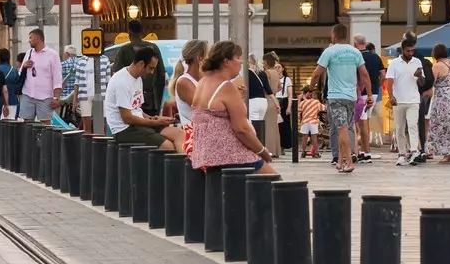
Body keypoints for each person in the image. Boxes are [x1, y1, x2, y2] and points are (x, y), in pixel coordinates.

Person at [190, 41, 278, 178]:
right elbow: (241, 129)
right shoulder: (226, 87)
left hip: (206, 154)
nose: (241, 62)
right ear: (226, 62)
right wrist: (262, 151)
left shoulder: (203, 82)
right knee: (274, 182)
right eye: (238, 57)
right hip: (230, 154)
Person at [311, 23, 368, 175]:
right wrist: (368, 94)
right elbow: (364, 74)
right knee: (347, 127)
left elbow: (317, 73)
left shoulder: (329, 51)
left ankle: (348, 161)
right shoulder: (355, 52)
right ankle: (341, 161)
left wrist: (311, 88)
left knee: (341, 129)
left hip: (336, 97)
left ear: (334, 35)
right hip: (351, 97)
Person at [106, 44, 176, 150]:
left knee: (177, 134)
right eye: (150, 68)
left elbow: (137, 109)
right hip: (124, 130)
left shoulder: (138, 78)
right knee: (168, 146)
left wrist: (154, 118)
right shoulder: (121, 82)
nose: (152, 72)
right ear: (141, 64)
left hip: (136, 126)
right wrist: (154, 122)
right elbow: (127, 118)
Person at [385, 37, 424, 166]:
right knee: (400, 128)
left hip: (413, 99)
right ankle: (402, 154)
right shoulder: (394, 63)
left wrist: (420, 76)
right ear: (402, 50)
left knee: (413, 126)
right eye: (408, 51)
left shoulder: (417, 62)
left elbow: (422, 83)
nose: (410, 53)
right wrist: (391, 96)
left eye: (412, 51)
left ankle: (414, 151)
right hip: (399, 100)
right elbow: (389, 81)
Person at [19, 28, 62, 122]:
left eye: (31, 38)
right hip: (28, 94)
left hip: (45, 96)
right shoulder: (29, 53)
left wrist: (56, 98)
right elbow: (20, 72)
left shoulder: (52, 55)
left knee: (45, 123)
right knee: (26, 123)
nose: (29, 40)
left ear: (38, 39)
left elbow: (57, 78)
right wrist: (25, 65)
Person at [353, 35, 383, 163]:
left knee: (362, 124)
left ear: (355, 44)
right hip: (374, 93)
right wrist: (377, 86)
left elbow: (358, 76)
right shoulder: (375, 57)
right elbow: (383, 74)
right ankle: (364, 150)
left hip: (362, 93)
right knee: (366, 122)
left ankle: (366, 152)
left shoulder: (356, 56)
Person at [298, 89, 323, 158]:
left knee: (304, 137)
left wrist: (300, 99)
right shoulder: (316, 102)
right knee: (314, 137)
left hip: (305, 121)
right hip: (313, 121)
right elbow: (323, 108)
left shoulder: (303, 102)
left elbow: (299, 109)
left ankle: (303, 152)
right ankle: (316, 153)